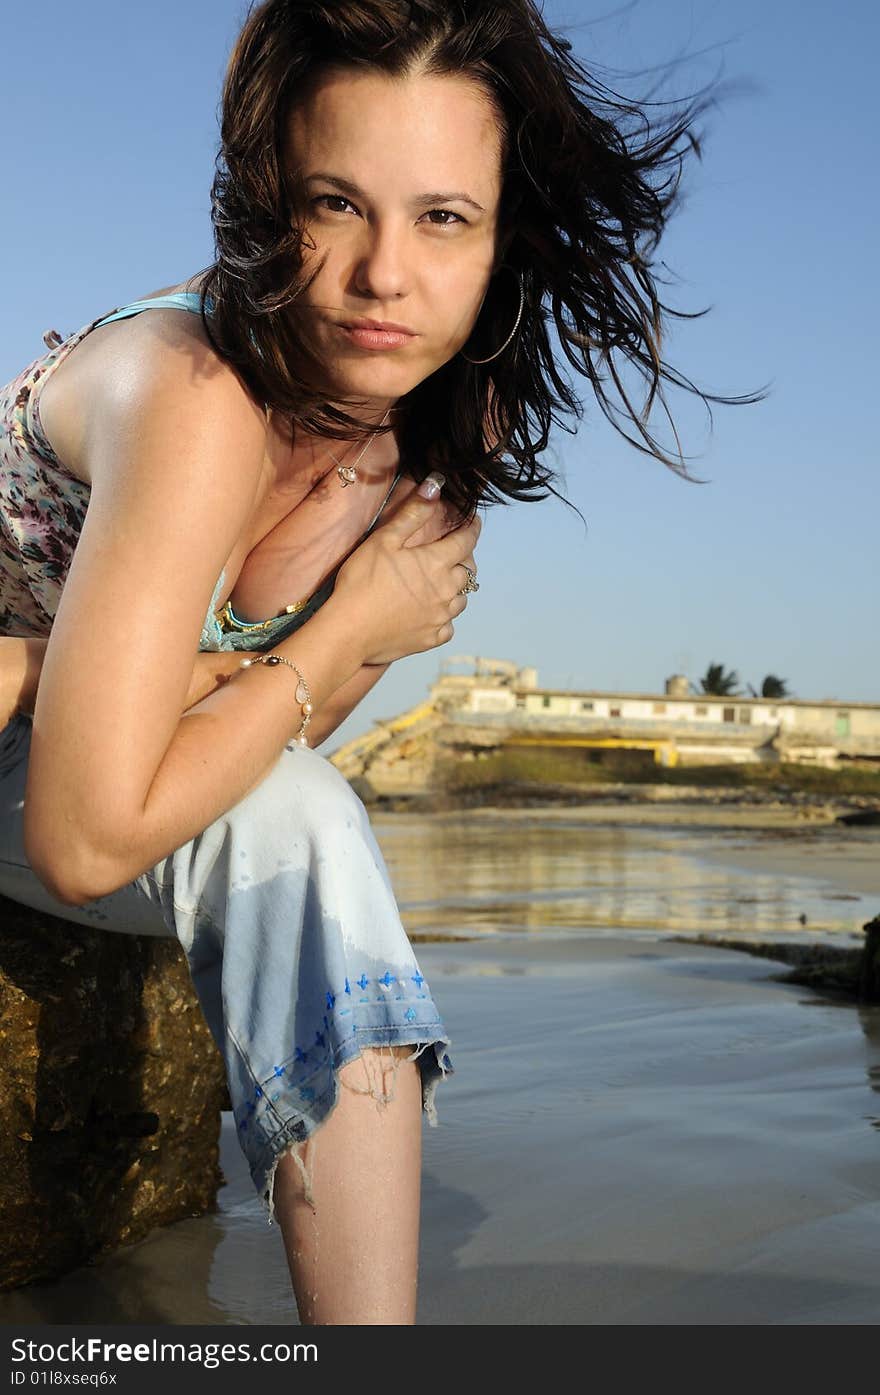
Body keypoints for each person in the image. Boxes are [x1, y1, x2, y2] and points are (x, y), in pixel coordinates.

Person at [0, 0, 760, 1325]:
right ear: (265, 202)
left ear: (501, 239)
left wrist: (173, 680)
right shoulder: (194, 397)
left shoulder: (423, 433)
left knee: (301, 820)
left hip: (61, 741)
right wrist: (342, 631)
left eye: (442, 218)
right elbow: (81, 835)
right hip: (42, 779)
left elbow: (285, 745)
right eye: (336, 204)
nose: (382, 276)